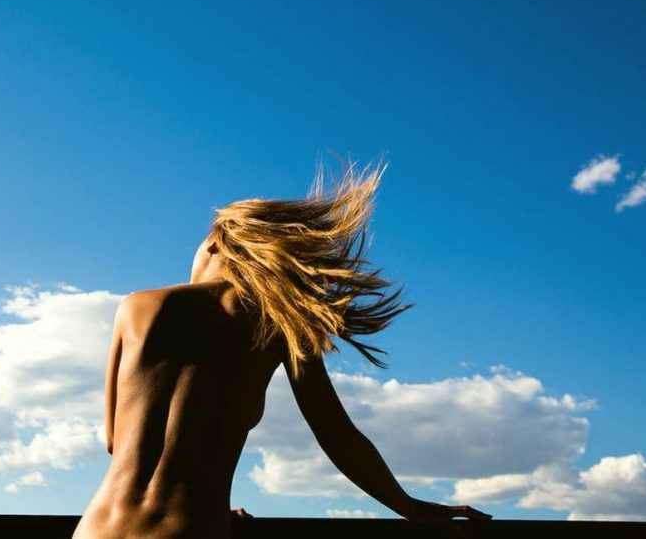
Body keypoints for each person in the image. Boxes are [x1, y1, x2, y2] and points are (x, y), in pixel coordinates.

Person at [72, 158, 493, 539]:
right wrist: (409, 507)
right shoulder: (282, 327)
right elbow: (337, 435)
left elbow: (115, 439)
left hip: (97, 528)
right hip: (191, 528)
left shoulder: (138, 307)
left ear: (215, 242)